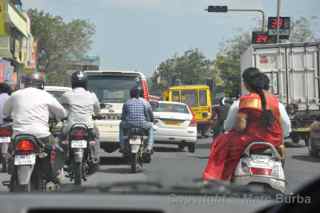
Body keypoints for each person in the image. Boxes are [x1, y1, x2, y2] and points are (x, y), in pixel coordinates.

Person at [203, 68, 284, 181]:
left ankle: (213, 178)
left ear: (246, 83)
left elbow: (240, 126)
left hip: (253, 140)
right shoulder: (273, 99)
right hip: (275, 140)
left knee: (221, 143)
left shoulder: (248, 99)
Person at [3, 73, 66, 180]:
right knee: (55, 147)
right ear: (41, 84)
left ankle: (11, 169)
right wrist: (57, 117)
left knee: (11, 151)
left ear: (25, 83)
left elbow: (5, 112)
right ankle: (55, 175)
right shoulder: (46, 95)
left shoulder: (15, 94)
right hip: (41, 135)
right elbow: (62, 113)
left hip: (19, 135)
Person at [59, 71, 101, 171]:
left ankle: (62, 159)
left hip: (70, 126)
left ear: (72, 82)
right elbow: (97, 110)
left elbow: (60, 108)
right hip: (88, 125)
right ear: (86, 83)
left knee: (61, 140)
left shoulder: (67, 95)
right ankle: (95, 157)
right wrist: (98, 115)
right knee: (96, 137)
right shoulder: (92, 95)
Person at [119, 87, 154, 153]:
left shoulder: (127, 103)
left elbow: (123, 117)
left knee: (121, 125)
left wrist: (125, 120)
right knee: (151, 126)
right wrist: (152, 120)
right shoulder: (145, 102)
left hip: (129, 125)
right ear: (139, 94)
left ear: (130, 94)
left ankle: (122, 147)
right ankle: (149, 147)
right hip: (142, 125)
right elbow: (150, 114)